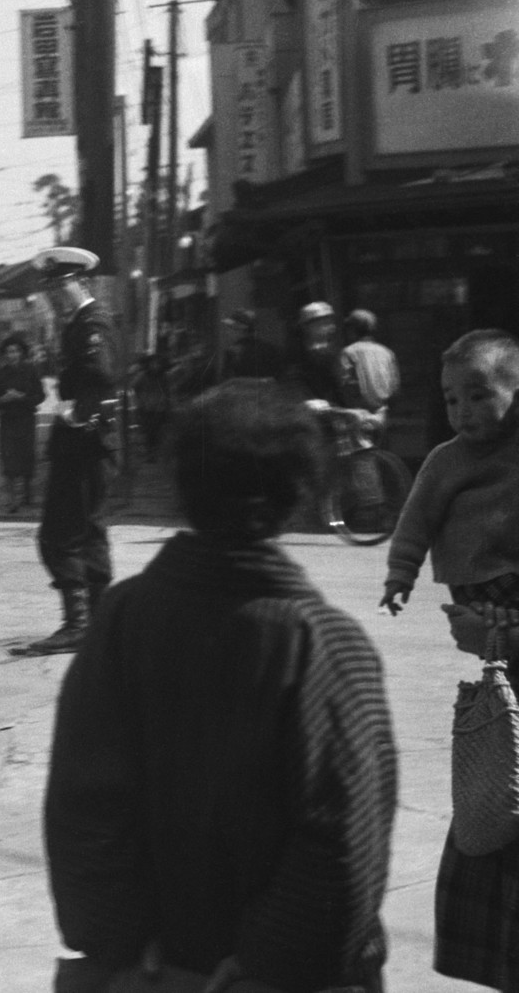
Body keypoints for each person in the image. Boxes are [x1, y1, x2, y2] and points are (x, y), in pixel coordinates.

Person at [46, 380, 398, 993]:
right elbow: (344, 839)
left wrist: (122, 945)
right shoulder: (325, 644)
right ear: (300, 494)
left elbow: (82, 807)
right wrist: (270, 963)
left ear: (181, 488)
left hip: (151, 968)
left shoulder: (123, 617)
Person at [379, 329, 519, 991]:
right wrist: (399, 576)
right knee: (500, 775)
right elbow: (414, 522)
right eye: (451, 399)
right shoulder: (445, 462)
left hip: (503, 617)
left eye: (479, 395)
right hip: (481, 600)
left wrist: (501, 635)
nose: (463, 411)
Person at [13, 246, 119, 657]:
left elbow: (102, 373)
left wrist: (78, 413)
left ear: (84, 283)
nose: (56, 295)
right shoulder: (79, 322)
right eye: (52, 289)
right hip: (90, 442)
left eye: (63, 286)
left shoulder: (92, 321)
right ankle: (97, 622)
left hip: (84, 442)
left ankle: (78, 624)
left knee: (59, 534)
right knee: (90, 530)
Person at [0, 333, 43, 511]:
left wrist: (22, 397)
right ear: (5, 354)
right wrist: (3, 399)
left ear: (22, 353)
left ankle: (27, 494)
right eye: (9, 352)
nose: (13, 355)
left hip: (26, 418)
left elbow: (40, 395)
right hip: (8, 420)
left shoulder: (31, 370)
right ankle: (13, 499)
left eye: (16, 351)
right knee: (9, 457)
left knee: (27, 455)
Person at [339, 309, 400, 419]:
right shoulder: (387, 352)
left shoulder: (349, 352)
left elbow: (346, 385)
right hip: (383, 414)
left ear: (352, 330)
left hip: (360, 415)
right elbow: (395, 387)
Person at [289, 300, 347, 407]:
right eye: (325, 323)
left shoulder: (331, 352)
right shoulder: (299, 357)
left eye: (331, 322)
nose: (332, 327)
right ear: (307, 327)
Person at [129, 352, 172, 463]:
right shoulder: (143, 376)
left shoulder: (163, 377)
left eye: (157, 363)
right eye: (153, 363)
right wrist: (140, 400)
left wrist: (167, 405)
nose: (156, 366)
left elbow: (167, 392)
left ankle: (154, 454)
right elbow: (133, 387)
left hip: (159, 408)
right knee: (149, 432)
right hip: (147, 408)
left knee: (157, 431)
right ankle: (150, 454)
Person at [220, 308, 283, 381]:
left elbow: (226, 380)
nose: (227, 332)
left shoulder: (233, 352)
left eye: (230, 328)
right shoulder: (270, 348)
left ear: (240, 329)